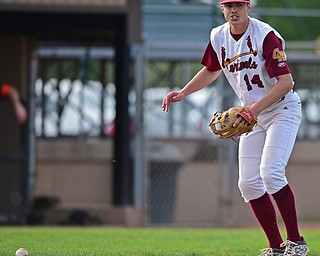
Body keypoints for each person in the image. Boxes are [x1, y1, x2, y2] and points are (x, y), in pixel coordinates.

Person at [162, 0, 310, 255]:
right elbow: (211, 69)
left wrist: (253, 109)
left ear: (248, 7)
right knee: (249, 183)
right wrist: (184, 92)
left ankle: (296, 242)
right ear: (221, 8)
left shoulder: (265, 35)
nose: (234, 9)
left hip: (281, 109)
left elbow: (286, 83)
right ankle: (276, 248)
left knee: (271, 173)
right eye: (228, 4)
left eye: (239, 4)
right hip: (251, 115)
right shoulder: (218, 36)